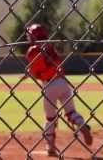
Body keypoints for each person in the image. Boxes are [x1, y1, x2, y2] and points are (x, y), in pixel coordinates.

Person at [24, 23, 93, 156]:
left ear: (33, 36)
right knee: (71, 112)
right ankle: (81, 125)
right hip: (62, 81)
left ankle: (50, 147)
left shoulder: (33, 50)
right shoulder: (50, 45)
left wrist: (31, 73)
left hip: (49, 86)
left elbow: (35, 72)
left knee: (50, 118)